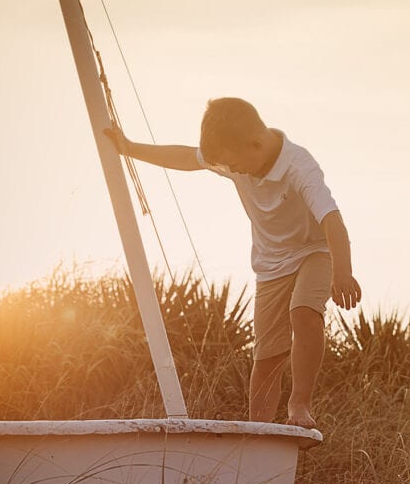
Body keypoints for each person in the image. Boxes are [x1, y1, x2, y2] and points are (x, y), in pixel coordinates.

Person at [105, 97, 361, 429]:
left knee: (303, 312)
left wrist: (343, 272)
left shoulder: (300, 166)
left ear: (254, 143)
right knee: (267, 354)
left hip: (315, 251)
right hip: (270, 265)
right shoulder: (239, 152)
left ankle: (299, 404)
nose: (233, 171)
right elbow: (186, 156)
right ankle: (260, 429)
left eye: (234, 164)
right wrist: (128, 147)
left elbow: (332, 221)